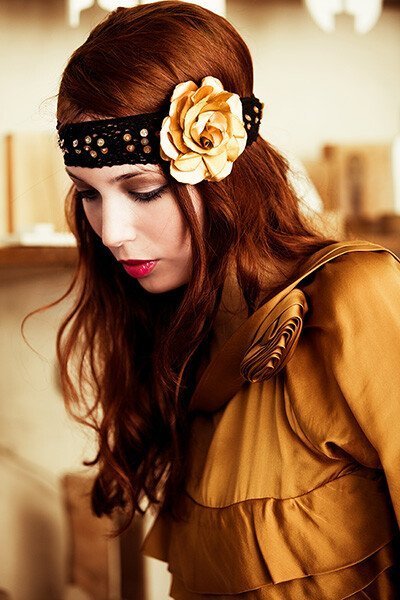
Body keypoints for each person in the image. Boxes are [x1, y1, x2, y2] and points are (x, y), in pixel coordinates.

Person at [54, 1, 400, 597]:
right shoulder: (180, 339)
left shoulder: (355, 297)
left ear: (225, 174)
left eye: (144, 190)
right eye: (88, 194)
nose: (110, 232)